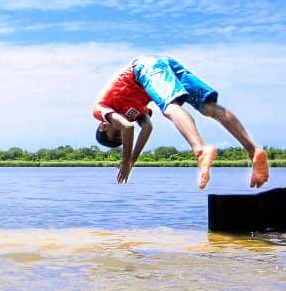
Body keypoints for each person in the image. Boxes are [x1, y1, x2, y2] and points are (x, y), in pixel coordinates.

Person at [93, 55, 269, 190]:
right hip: (167, 65)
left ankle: (200, 149)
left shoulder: (100, 108)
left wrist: (127, 161)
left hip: (143, 67)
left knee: (169, 106)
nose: (119, 133)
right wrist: (132, 160)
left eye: (114, 133)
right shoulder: (133, 113)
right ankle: (253, 151)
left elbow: (128, 128)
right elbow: (147, 127)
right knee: (208, 107)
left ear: (103, 125)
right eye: (119, 138)